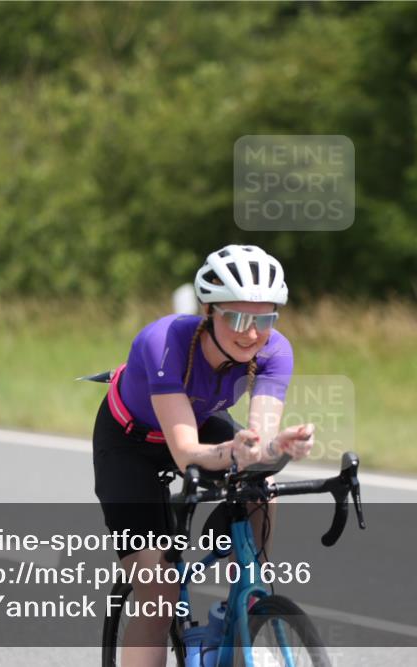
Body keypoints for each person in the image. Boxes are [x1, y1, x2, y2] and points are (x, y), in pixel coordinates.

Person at [91, 244, 315, 667]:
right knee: (158, 597)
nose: (252, 333)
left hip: (201, 420)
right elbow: (187, 453)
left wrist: (278, 447)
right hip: (131, 442)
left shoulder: (274, 351)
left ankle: (246, 603)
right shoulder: (164, 342)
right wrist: (235, 450)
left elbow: (256, 444)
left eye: (264, 318)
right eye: (238, 317)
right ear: (209, 311)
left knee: (261, 484)